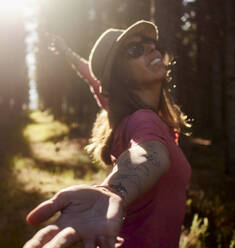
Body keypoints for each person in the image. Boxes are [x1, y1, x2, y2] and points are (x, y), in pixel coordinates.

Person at [24, 20, 192, 248]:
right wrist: (113, 191)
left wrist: (67, 53)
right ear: (119, 77)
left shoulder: (125, 111)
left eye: (150, 43)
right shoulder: (144, 119)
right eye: (135, 49)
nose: (151, 48)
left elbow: (92, 77)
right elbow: (149, 153)